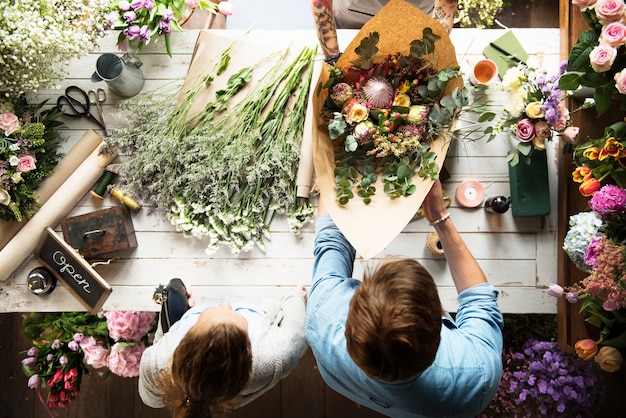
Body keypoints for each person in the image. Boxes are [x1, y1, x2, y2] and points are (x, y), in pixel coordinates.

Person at [306, 180, 504, 418]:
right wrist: (439, 217)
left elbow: (330, 239)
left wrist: (333, 175)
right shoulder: (476, 377)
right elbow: (479, 300)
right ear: (439, 323)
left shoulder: (323, 313)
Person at [139, 283, 308, 418]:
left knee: (171, 289)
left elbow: (150, 398)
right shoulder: (274, 356)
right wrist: (295, 297)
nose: (226, 304)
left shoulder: (156, 365)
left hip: (184, 327)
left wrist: (177, 316)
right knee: (271, 305)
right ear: (249, 353)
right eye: (236, 314)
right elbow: (296, 330)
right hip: (260, 312)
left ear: (184, 340)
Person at [311, 0, 459, 63]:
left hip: (412, 26)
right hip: (353, 23)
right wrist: (332, 56)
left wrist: (429, 51)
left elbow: (446, 6)